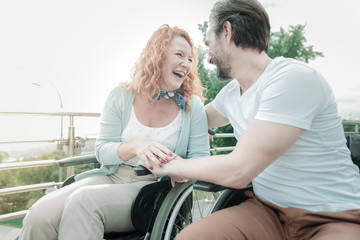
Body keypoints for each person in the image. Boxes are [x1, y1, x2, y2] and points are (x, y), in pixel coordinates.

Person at [141, 1, 360, 239]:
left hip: (332, 215)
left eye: (208, 42)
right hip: (267, 210)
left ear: (227, 31)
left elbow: (239, 171)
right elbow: (193, 120)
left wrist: (168, 165)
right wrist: (146, 118)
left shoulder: (293, 79)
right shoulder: (231, 94)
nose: (207, 53)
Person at [18, 24, 209, 240]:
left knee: (84, 203)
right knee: (39, 214)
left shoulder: (192, 106)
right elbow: (102, 150)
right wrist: (138, 145)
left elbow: (201, 160)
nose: (187, 63)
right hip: (112, 176)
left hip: (153, 188)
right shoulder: (121, 95)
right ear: (158, 55)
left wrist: (176, 167)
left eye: (190, 59)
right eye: (179, 55)